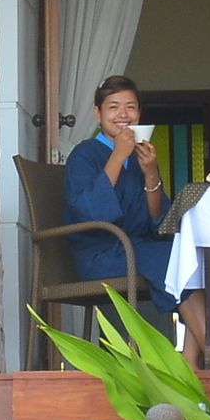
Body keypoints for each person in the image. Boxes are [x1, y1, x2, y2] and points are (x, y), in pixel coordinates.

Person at [60, 74, 186, 337]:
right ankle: (201, 356)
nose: (123, 115)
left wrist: (151, 173)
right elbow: (90, 211)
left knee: (186, 256)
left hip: (134, 249)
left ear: (139, 113)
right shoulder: (85, 154)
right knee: (170, 259)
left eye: (130, 107)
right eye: (113, 107)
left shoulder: (139, 158)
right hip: (101, 254)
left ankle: (197, 355)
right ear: (98, 113)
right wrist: (118, 154)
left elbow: (158, 223)